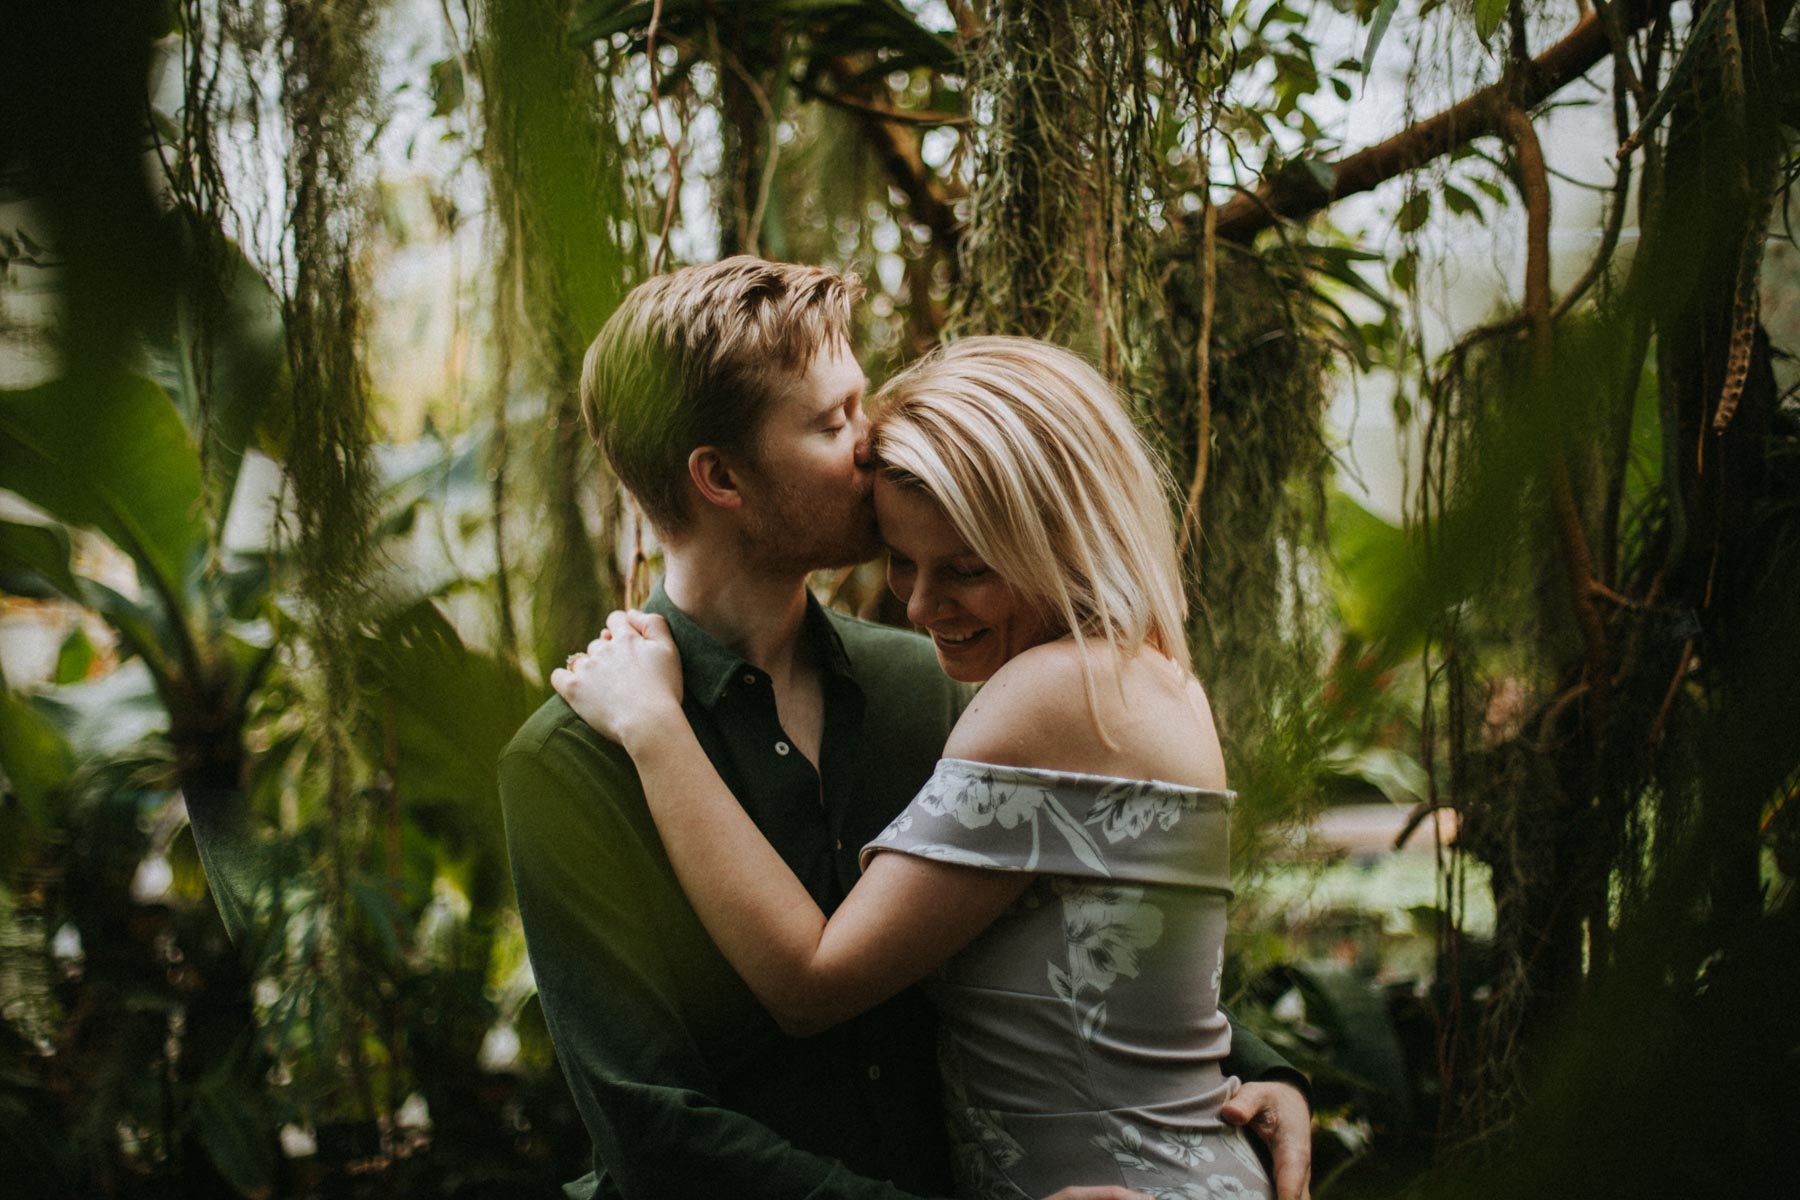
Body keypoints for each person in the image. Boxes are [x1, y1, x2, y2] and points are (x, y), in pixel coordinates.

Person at [497, 258, 1311, 1200]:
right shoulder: (570, 762)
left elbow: (1061, 902)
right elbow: (652, 1131)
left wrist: (1251, 1068)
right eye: (833, 420)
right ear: (721, 477)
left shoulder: (932, 685)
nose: (871, 436)